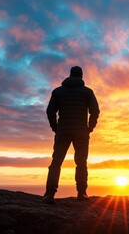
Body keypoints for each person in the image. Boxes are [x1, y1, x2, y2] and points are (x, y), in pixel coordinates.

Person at [42, 66, 100, 204]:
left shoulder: (58, 91)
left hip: (63, 130)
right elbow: (95, 111)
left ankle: (49, 194)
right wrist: (89, 128)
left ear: (70, 75)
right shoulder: (87, 92)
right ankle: (82, 193)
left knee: (56, 162)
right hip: (81, 132)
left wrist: (55, 127)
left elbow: (50, 111)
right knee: (81, 162)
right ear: (81, 76)